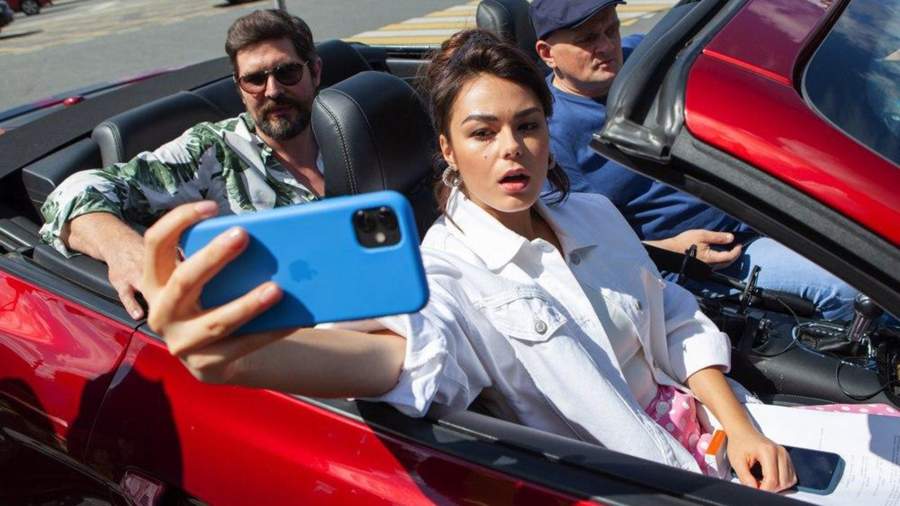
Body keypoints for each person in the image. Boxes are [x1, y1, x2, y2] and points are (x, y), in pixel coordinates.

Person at [139, 29, 798, 491]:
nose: (512, 148)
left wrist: (739, 428)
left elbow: (676, 319)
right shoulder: (448, 274)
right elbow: (403, 359)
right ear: (448, 150)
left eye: (528, 125)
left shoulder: (595, 213)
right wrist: (240, 359)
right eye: (482, 132)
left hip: (727, 433)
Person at [532, 0, 859, 322]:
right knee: (848, 290)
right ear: (547, 54)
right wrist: (670, 249)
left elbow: (731, 38)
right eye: (588, 39)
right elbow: (579, 245)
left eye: (611, 29)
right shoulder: (550, 135)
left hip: (763, 204)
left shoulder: (642, 59)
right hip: (707, 258)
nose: (606, 46)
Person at [39, 9, 324, 320]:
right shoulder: (214, 150)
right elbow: (74, 192)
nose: (273, 90)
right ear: (240, 89)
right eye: (254, 79)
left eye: (287, 73)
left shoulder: (348, 126)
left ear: (315, 72)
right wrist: (126, 250)